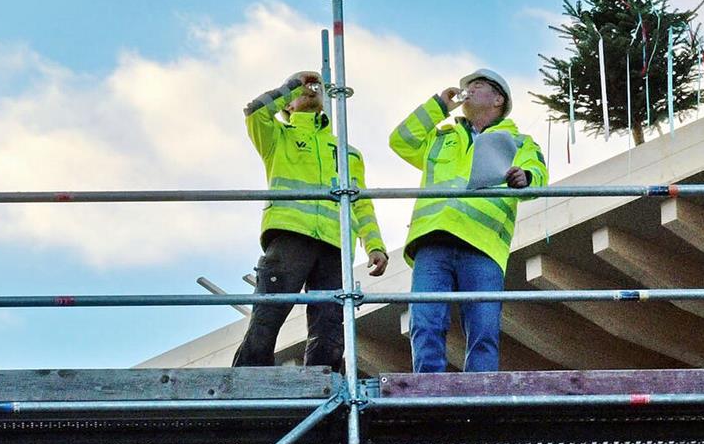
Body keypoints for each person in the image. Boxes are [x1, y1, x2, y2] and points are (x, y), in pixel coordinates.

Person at [389, 68, 547, 372]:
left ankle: (480, 394)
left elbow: (538, 178)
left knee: (483, 327)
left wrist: (524, 177)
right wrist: (437, 106)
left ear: (498, 98)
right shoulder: (441, 137)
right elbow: (401, 140)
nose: (468, 90)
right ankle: (428, 390)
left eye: (476, 86)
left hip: (482, 244)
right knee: (425, 320)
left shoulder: (519, 141)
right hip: (433, 239)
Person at [233, 70, 388, 369]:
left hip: (335, 243)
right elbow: (254, 112)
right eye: (303, 88)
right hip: (291, 235)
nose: (310, 89)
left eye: (315, 86)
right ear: (287, 105)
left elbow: (361, 203)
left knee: (329, 324)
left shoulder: (346, 152)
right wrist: (291, 86)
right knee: (268, 314)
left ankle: (323, 381)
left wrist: (374, 245)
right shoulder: (278, 136)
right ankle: (247, 378)